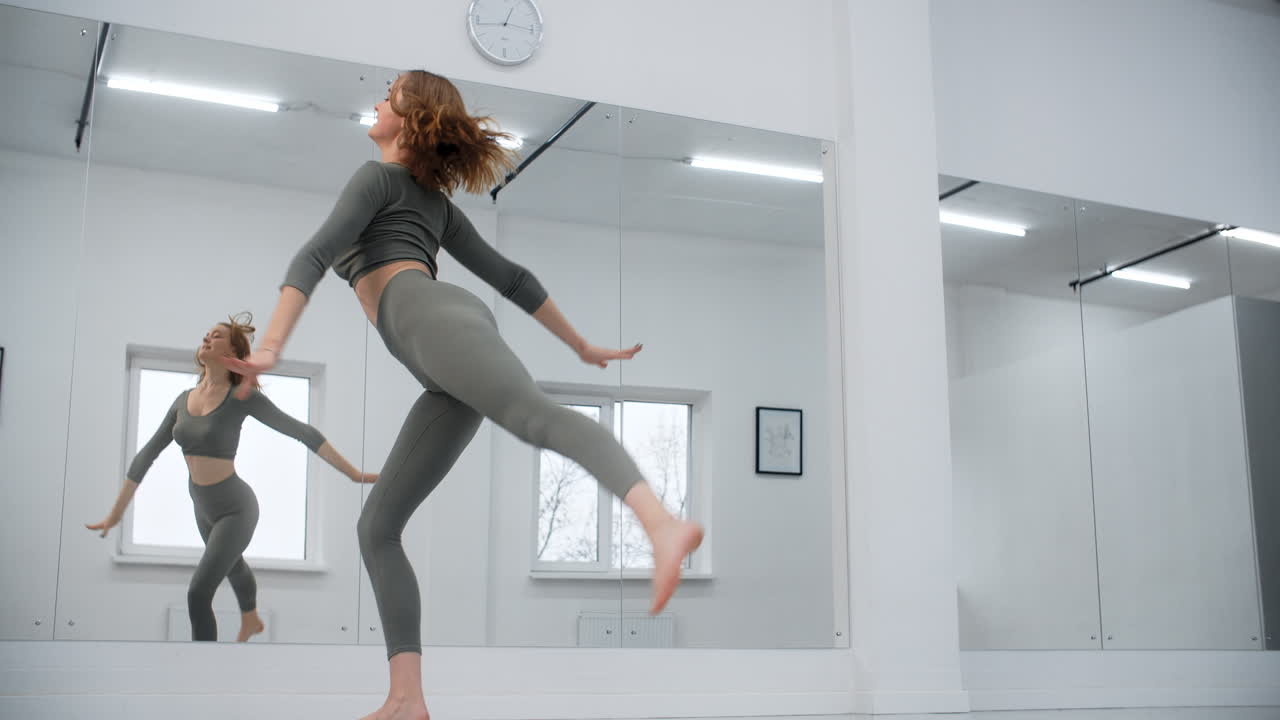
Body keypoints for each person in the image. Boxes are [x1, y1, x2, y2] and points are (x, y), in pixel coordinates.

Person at [224, 70, 705, 720]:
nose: (375, 98)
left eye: (387, 91)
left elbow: (312, 257)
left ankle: (661, 525)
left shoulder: (377, 179)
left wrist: (272, 348)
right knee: (377, 528)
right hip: (437, 362)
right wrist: (581, 346)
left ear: (409, 112)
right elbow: (513, 277)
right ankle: (406, 699)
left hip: (428, 315)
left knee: (532, 415)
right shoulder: (428, 202)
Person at [87, 313, 375, 643]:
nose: (207, 337)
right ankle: (251, 619)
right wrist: (115, 514)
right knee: (234, 565)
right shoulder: (182, 401)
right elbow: (145, 457)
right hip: (201, 504)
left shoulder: (242, 398)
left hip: (236, 507)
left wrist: (353, 473)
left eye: (217, 335)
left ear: (233, 353)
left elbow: (302, 431)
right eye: (206, 333)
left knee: (197, 594)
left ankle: (202, 671)